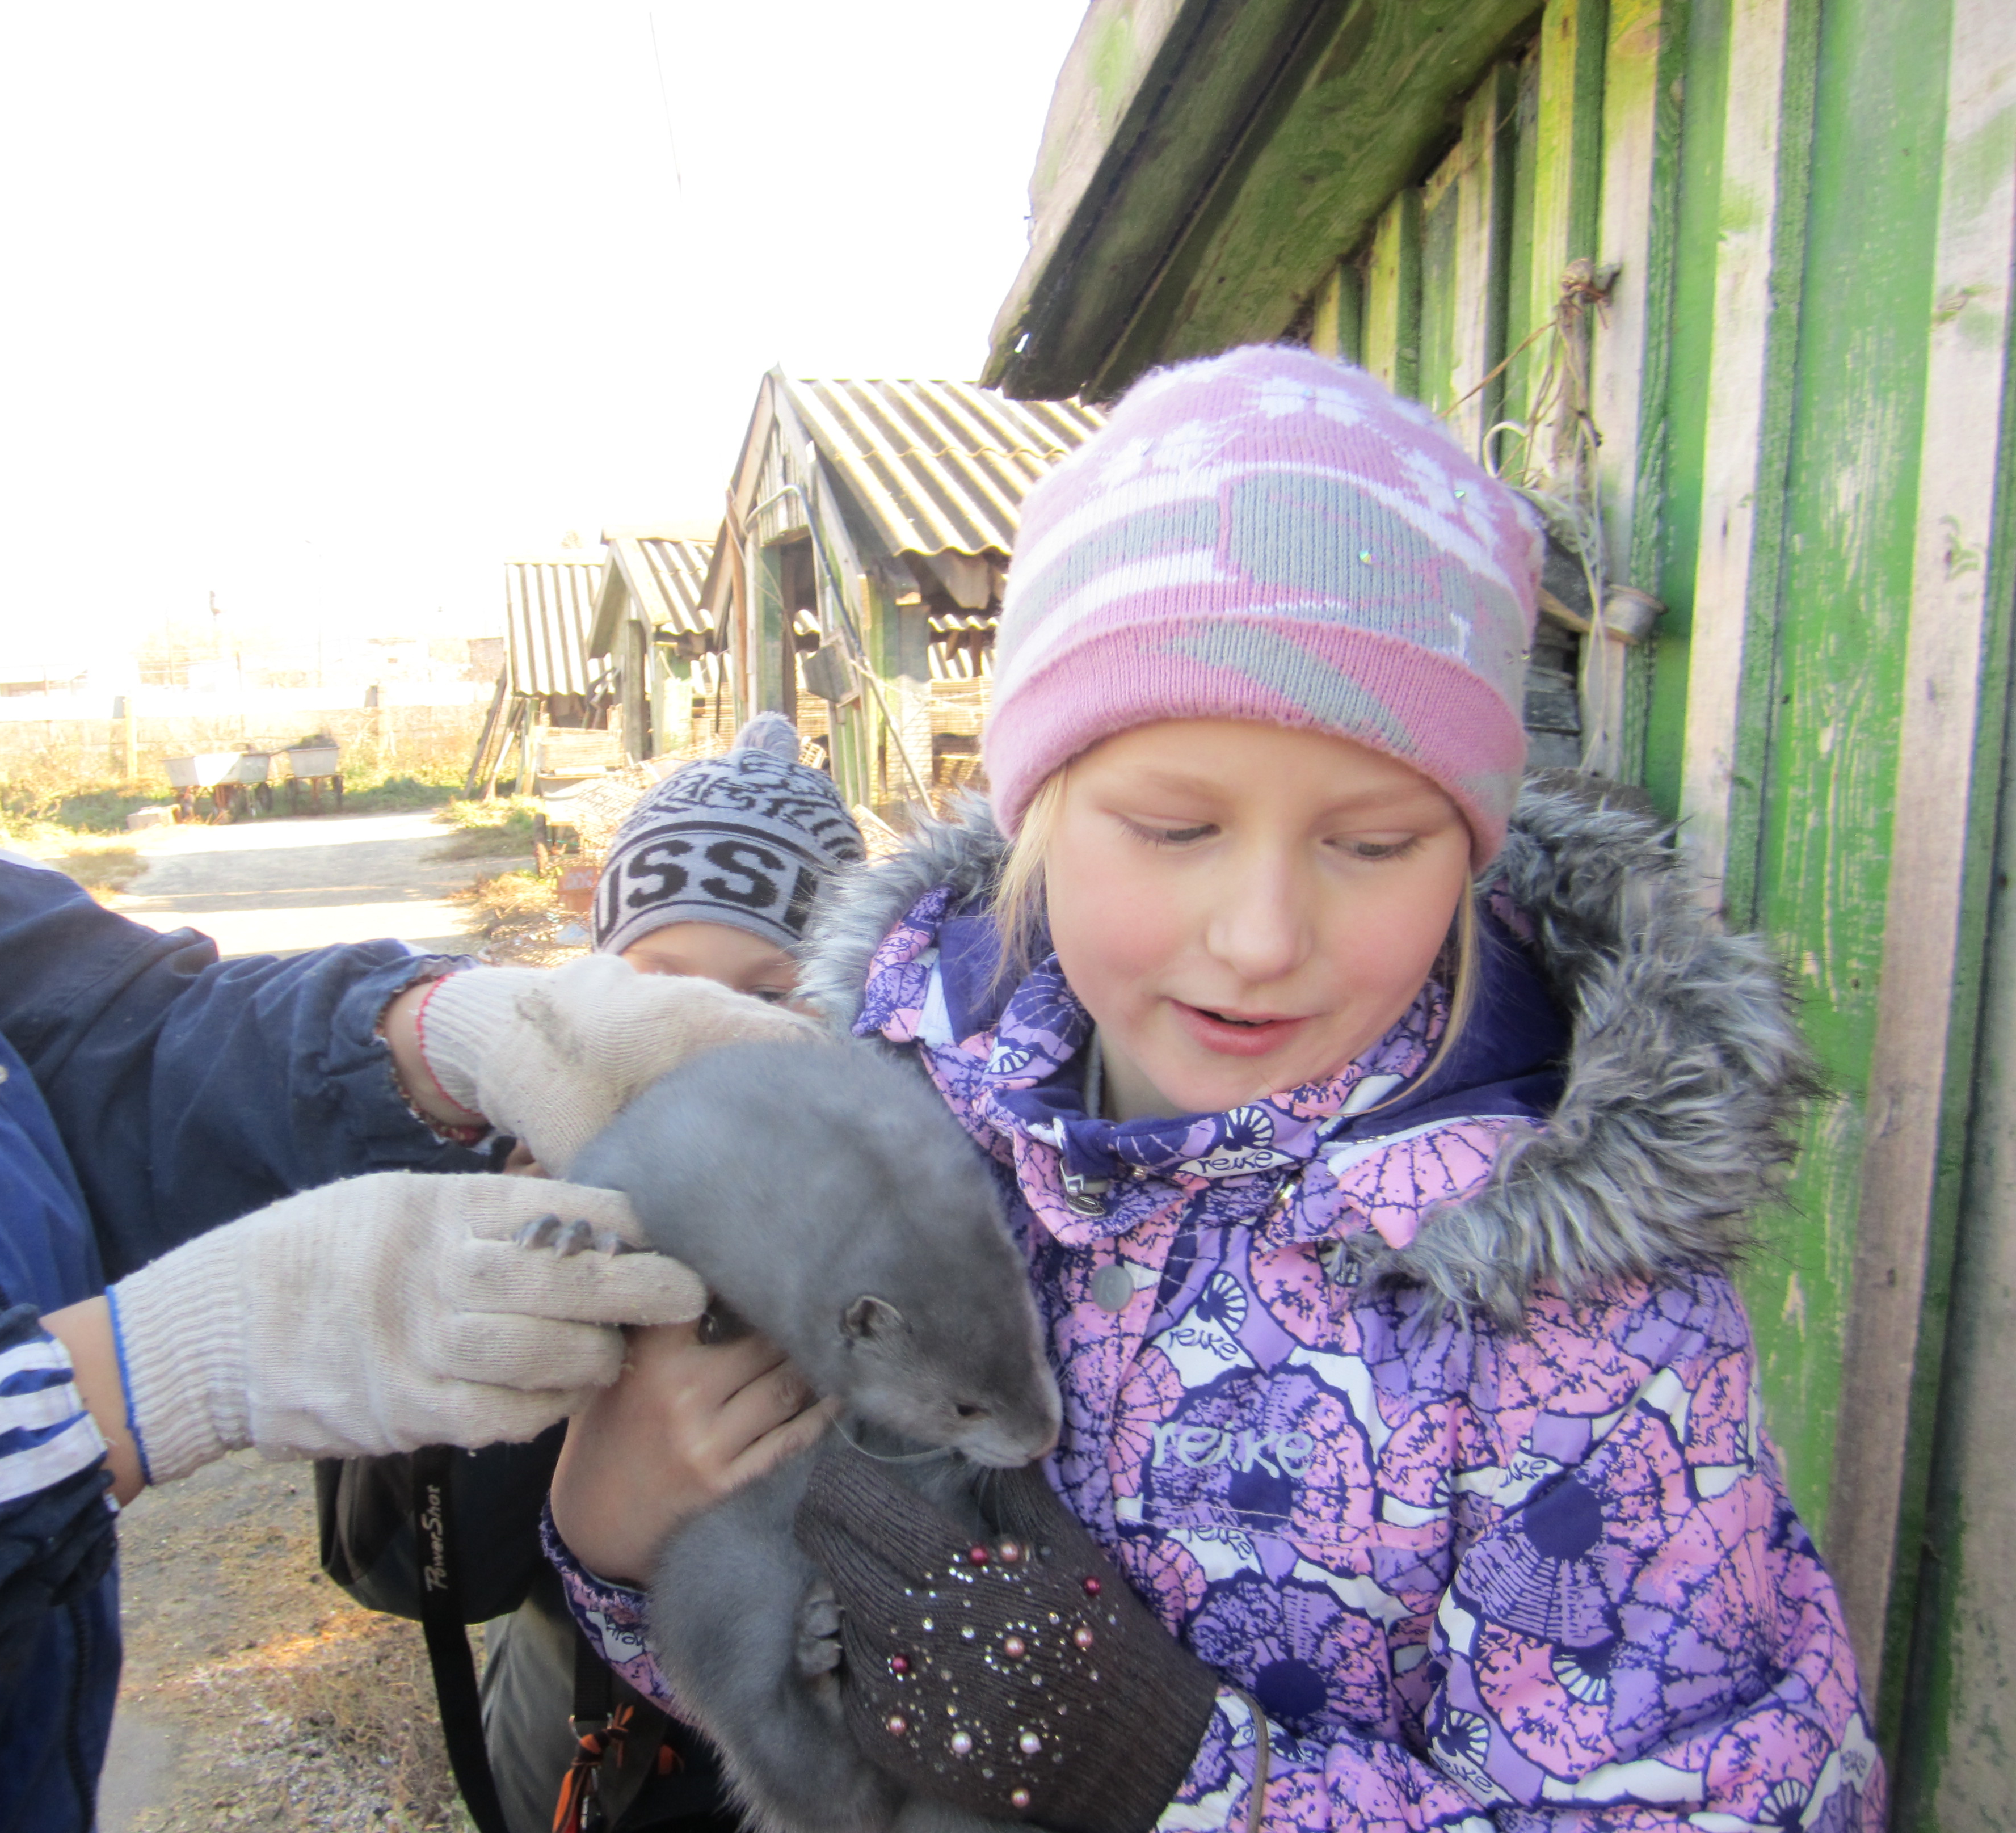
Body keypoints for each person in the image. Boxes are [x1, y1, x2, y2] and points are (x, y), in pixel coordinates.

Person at [542, 347, 1882, 1830]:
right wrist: (614, 1542)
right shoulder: (882, 1134)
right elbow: (768, 1675)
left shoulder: (1587, 1325)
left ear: (1475, 844)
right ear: (1038, 806)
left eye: (1372, 844)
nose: (1260, 939)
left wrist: (1185, 1777)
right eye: (1176, 826)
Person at [0, 502, 811, 1833]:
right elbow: (419, 1564)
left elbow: (96, 1033)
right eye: (661, 976)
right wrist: (162, 1366)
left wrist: (428, 1036)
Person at [320, 711, 865, 1833]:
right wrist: (509, 1305)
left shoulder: (902, 1218)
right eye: (657, 985)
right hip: (580, 1756)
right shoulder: (499, 1185)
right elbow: (404, 1572)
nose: (702, 1039)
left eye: (765, 999)